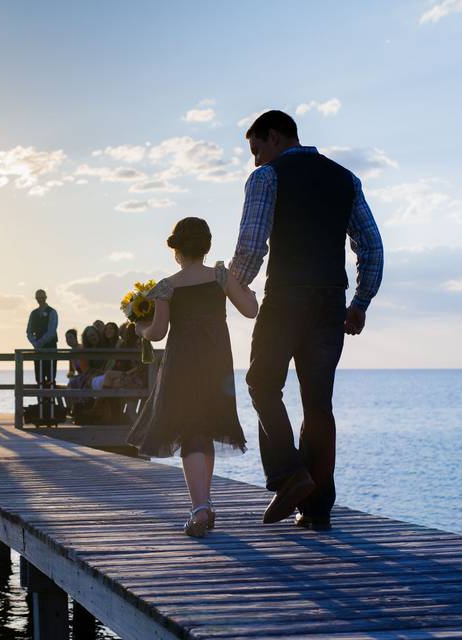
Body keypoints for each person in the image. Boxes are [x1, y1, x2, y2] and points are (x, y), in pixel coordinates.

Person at [231, 110, 384, 531]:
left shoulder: (267, 178)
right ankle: (317, 510)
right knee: (318, 404)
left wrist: (235, 286)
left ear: (275, 136)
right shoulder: (345, 178)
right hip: (331, 303)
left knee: (261, 383)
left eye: (257, 148)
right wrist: (360, 301)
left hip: (286, 299)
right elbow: (371, 245)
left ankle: (289, 474)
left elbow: (251, 242)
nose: (256, 159)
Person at [128, 217, 258, 537]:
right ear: (205, 246)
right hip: (216, 361)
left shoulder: (168, 286)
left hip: (181, 363)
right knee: (207, 427)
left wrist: (139, 328)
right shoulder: (220, 277)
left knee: (190, 430)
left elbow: (158, 333)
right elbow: (251, 310)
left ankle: (199, 507)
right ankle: (205, 503)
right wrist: (248, 290)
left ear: (177, 249)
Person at [26, 289, 59, 387]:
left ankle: (51, 402)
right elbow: (29, 331)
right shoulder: (33, 313)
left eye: (42, 297)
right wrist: (35, 343)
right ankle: (40, 401)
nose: (40, 299)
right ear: (36, 298)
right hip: (38, 350)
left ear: (46, 297)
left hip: (50, 347)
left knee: (51, 376)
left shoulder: (52, 312)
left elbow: (51, 331)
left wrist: (40, 343)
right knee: (39, 377)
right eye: (38, 297)